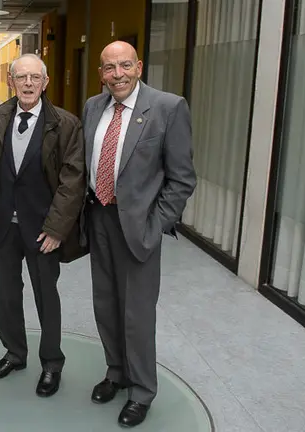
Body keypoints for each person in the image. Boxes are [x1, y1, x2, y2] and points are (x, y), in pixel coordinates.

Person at [82, 41, 196, 426]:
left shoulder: (168, 107)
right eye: (109, 68)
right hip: (99, 218)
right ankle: (116, 372)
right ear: (101, 73)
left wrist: (157, 224)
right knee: (106, 305)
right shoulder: (93, 107)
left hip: (139, 227)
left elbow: (182, 179)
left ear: (139, 66)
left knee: (137, 313)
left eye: (125, 66)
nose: (118, 74)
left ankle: (143, 391)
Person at [0, 54, 86, 397]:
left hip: (42, 230)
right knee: (6, 295)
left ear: (45, 82)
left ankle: (52, 363)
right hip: (3, 225)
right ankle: (14, 353)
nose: (28, 84)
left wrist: (56, 228)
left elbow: (73, 181)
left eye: (35, 78)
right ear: (11, 81)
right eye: (21, 77)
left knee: (46, 297)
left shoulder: (66, 124)